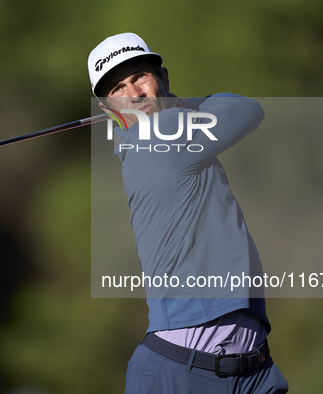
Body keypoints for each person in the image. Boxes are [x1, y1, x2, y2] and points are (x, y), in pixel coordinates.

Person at [88, 33, 288, 393]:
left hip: (252, 368)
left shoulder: (152, 139)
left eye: (139, 77)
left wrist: (167, 104)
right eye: (118, 88)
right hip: (182, 375)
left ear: (162, 77)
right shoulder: (164, 135)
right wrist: (174, 102)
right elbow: (245, 109)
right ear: (107, 108)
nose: (133, 93)